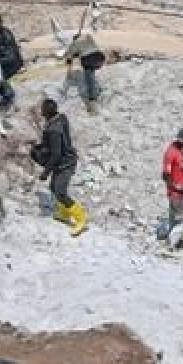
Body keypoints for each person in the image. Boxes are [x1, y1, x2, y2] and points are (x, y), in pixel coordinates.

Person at [31, 97, 86, 236]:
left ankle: (81, 219)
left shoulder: (54, 130)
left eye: (43, 109)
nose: (41, 110)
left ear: (47, 112)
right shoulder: (60, 118)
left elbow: (56, 154)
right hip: (62, 160)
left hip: (65, 163)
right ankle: (64, 213)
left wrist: (46, 172)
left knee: (60, 192)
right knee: (53, 188)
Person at [162, 127, 183, 247]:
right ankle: (170, 243)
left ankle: (173, 241)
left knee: (175, 220)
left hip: (181, 193)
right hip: (177, 194)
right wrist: (179, 189)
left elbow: (178, 171)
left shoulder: (179, 151)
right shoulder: (171, 153)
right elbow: (166, 175)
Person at [64, 29, 109, 112]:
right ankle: (98, 90)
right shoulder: (88, 37)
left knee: (89, 79)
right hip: (100, 57)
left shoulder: (74, 44)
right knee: (91, 75)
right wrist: (77, 53)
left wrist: (69, 65)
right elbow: (87, 48)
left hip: (88, 60)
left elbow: (69, 56)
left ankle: (92, 99)